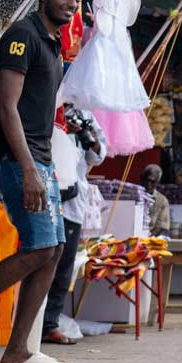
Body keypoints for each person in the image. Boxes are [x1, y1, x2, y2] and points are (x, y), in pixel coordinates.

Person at [0, 0, 86, 363]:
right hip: (19, 160)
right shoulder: (22, 36)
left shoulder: (52, 41)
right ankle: (17, 350)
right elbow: (6, 106)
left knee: (53, 250)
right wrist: (29, 169)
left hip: (40, 159)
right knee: (41, 247)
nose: (71, 4)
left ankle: (19, 351)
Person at [42, 107, 106, 346]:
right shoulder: (45, 101)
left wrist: (87, 133)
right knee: (36, 258)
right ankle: (13, 321)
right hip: (41, 194)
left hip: (71, 201)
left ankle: (49, 324)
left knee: (63, 265)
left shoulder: (86, 112)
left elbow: (98, 156)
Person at [142, 164, 170, 237]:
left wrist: (147, 237)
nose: (148, 184)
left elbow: (162, 227)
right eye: (147, 180)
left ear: (158, 182)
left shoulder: (162, 201)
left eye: (152, 182)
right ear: (142, 179)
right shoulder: (133, 196)